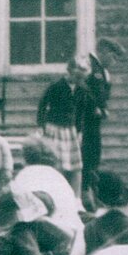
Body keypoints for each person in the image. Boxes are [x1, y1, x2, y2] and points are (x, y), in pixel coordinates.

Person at [37, 57, 92, 199]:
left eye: (82, 78)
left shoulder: (82, 90)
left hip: (70, 130)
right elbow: (43, 105)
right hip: (54, 128)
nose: (79, 80)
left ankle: (76, 199)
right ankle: (55, 196)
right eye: (76, 77)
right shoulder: (56, 86)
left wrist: (79, 131)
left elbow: (81, 112)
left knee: (75, 166)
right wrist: (41, 125)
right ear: (70, 72)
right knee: (57, 165)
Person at [82, 38, 126, 208]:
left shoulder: (102, 70)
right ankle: (85, 195)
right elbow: (83, 90)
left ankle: (93, 193)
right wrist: (94, 106)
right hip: (85, 120)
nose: (114, 62)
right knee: (86, 157)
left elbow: (102, 94)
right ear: (105, 52)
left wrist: (103, 107)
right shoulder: (90, 66)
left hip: (94, 122)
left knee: (94, 156)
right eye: (113, 57)